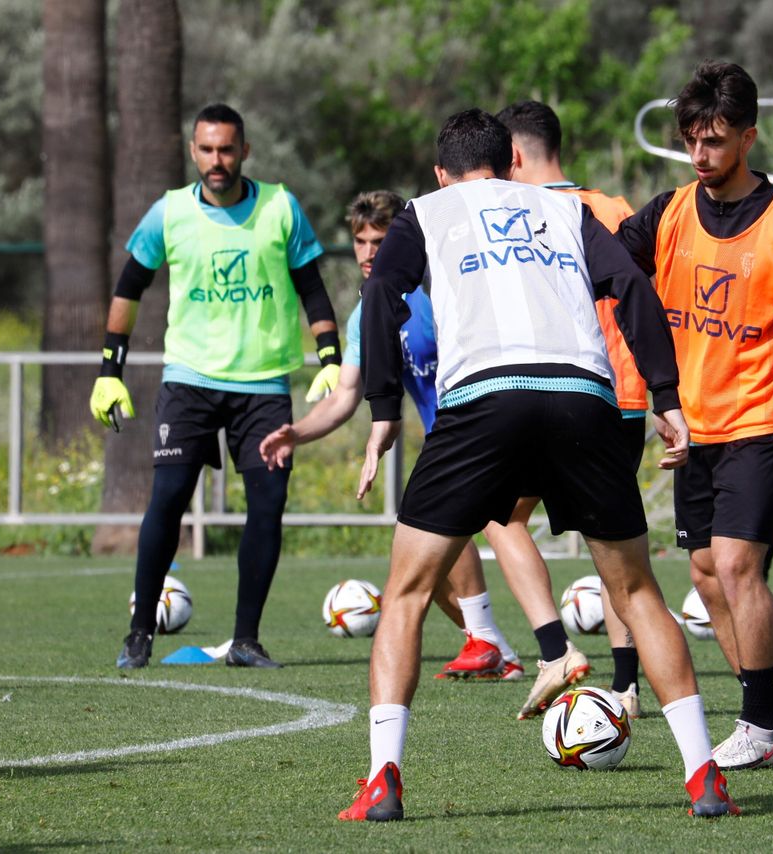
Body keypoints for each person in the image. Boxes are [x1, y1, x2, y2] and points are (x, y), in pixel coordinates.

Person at [338, 109, 736, 821]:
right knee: (638, 590)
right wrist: (667, 398)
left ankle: (383, 781)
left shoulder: (425, 213)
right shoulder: (563, 211)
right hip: (583, 397)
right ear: (512, 164)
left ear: (440, 173)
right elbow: (634, 287)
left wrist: (380, 411)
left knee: (405, 593)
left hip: (485, 398)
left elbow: (379, 294)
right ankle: (703, 773)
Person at [616, 61, 773, 771]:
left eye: (713, 141)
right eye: (690, 140)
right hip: (694, 426)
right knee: (708, 573)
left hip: (765, 422)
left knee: (741, 566)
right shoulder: (667, 214)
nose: (700, 155)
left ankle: (754, 724)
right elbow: (612, 271)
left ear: (748, 138)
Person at [93, 103, 340, 670]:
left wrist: (330, 356)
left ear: (244, 151)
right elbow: (129, 288)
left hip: (263, 383)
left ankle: (246, 640)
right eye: (206, 149)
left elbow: (312, 287)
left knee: (268, 504)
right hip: (189, 380)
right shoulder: (169, 212)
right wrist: (110, 371)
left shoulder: (280, 207)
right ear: (192, 152)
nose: (217, 160)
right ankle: (138, 634)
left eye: (227, 149)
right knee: (168, 498)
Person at [256, 190, 525, 680]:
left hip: (492, 427)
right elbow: (344, 396)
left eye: (379, 238)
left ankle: (541, 645)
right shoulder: (366, 314)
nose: (368, 252)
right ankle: (493, 646)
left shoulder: (439, 286)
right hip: (450, 440)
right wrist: (297, 432)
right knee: (414, 556)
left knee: (453, 518)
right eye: (360, 241)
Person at [494, 99, 648, 718]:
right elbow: (644, 298)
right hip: (630, 396)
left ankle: (555, 649)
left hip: (564, 391)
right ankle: (627, 687)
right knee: (611, 541)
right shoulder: (615, 208)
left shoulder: (524, 213)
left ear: (511, 156)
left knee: (500, 516)